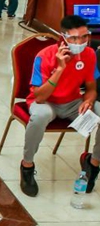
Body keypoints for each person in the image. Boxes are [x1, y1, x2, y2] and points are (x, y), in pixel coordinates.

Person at [20, 16, 100, 196]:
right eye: (73, 38)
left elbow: (92, 89)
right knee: (39, 116)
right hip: (46, 102)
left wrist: (88, 100)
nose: (79, 42)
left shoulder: (89, 54)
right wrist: (60, 68)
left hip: (73, 103)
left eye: (84, 37)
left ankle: (93, 164)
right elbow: (39, 96)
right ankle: (27, 166)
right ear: (63, 37)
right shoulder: (44, 56)